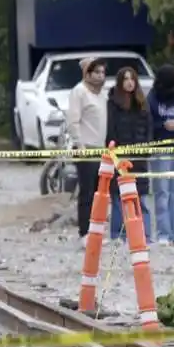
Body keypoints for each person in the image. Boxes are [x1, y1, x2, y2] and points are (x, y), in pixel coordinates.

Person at [105, 66, 153, 242]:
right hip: (121, 158)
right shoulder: (112, 104)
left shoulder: (142, 103)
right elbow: (111, 131)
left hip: (139, 159)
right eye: (125, 79)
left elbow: (149, 129)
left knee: (141, 199)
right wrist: (116, 155)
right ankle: (118, 235)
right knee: (118, 199)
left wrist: (145, 150)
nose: (129, 82)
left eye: (132, 78)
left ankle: (145, 235)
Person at [67, 57, 108, 248]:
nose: (100, 76)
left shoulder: (102, 94)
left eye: (102, 72)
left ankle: (96, 231)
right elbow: (73, 120)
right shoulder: (79, 91)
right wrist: (78, 143)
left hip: (101, 149)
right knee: (86, 193)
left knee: (99, 193)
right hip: (86, 149)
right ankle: (84, 232)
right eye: (96, 72)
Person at [148, 64, 174, 246]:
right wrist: (162, 126)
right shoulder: (153, 98)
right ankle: (163, 233)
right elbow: (148, 122)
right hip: (161, 148)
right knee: (162, 191)